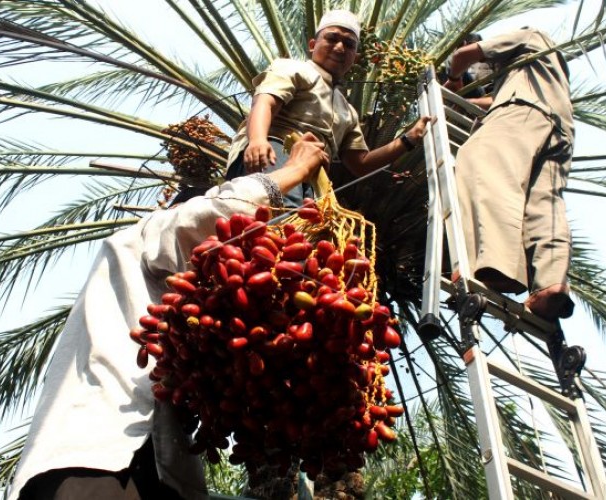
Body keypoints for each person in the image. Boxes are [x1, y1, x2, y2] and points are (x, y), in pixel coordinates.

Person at [8, 134, 330, 500]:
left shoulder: (187, 333)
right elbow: (207, 216)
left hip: (157, 474)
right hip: (94, 460)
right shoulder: (139, 239)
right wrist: (293, 171)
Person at [226, 9, 429, 206]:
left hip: (315, 176)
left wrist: (409, 139)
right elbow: (265, 102)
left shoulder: (347, 111)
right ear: (313, 45)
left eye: (349, 44)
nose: (340, 47)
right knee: (279, 210)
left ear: (355, 57)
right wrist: (257, 140)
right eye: (332, 39)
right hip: (275, 153)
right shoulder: (295, 68)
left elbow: (361, 164)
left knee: (296, 228)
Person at [444, 28, 575, 321]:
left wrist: (453, 78)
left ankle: (500, 266)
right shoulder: (542, 72)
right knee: (543, 204)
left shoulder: (530, 35)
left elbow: (463, 56)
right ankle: (551, 284)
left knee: (479, 160)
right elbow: (493, 101)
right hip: (558, 130)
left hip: (522, 112)